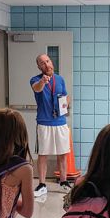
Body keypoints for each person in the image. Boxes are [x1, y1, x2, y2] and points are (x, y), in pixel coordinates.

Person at [30, 54, 71, 197]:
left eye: (47, 61)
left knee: (63, 154)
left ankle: (64, 181)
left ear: (51, 62)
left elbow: (65, 97)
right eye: (42, 63)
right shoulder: (36, 80)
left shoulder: (60, 79)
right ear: (39, 67)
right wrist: (43, 81)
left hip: (60, 121)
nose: (46, 64)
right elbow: (37, 88)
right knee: (43, 154)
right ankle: (41, 184)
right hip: (44, 122)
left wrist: (67, 104)